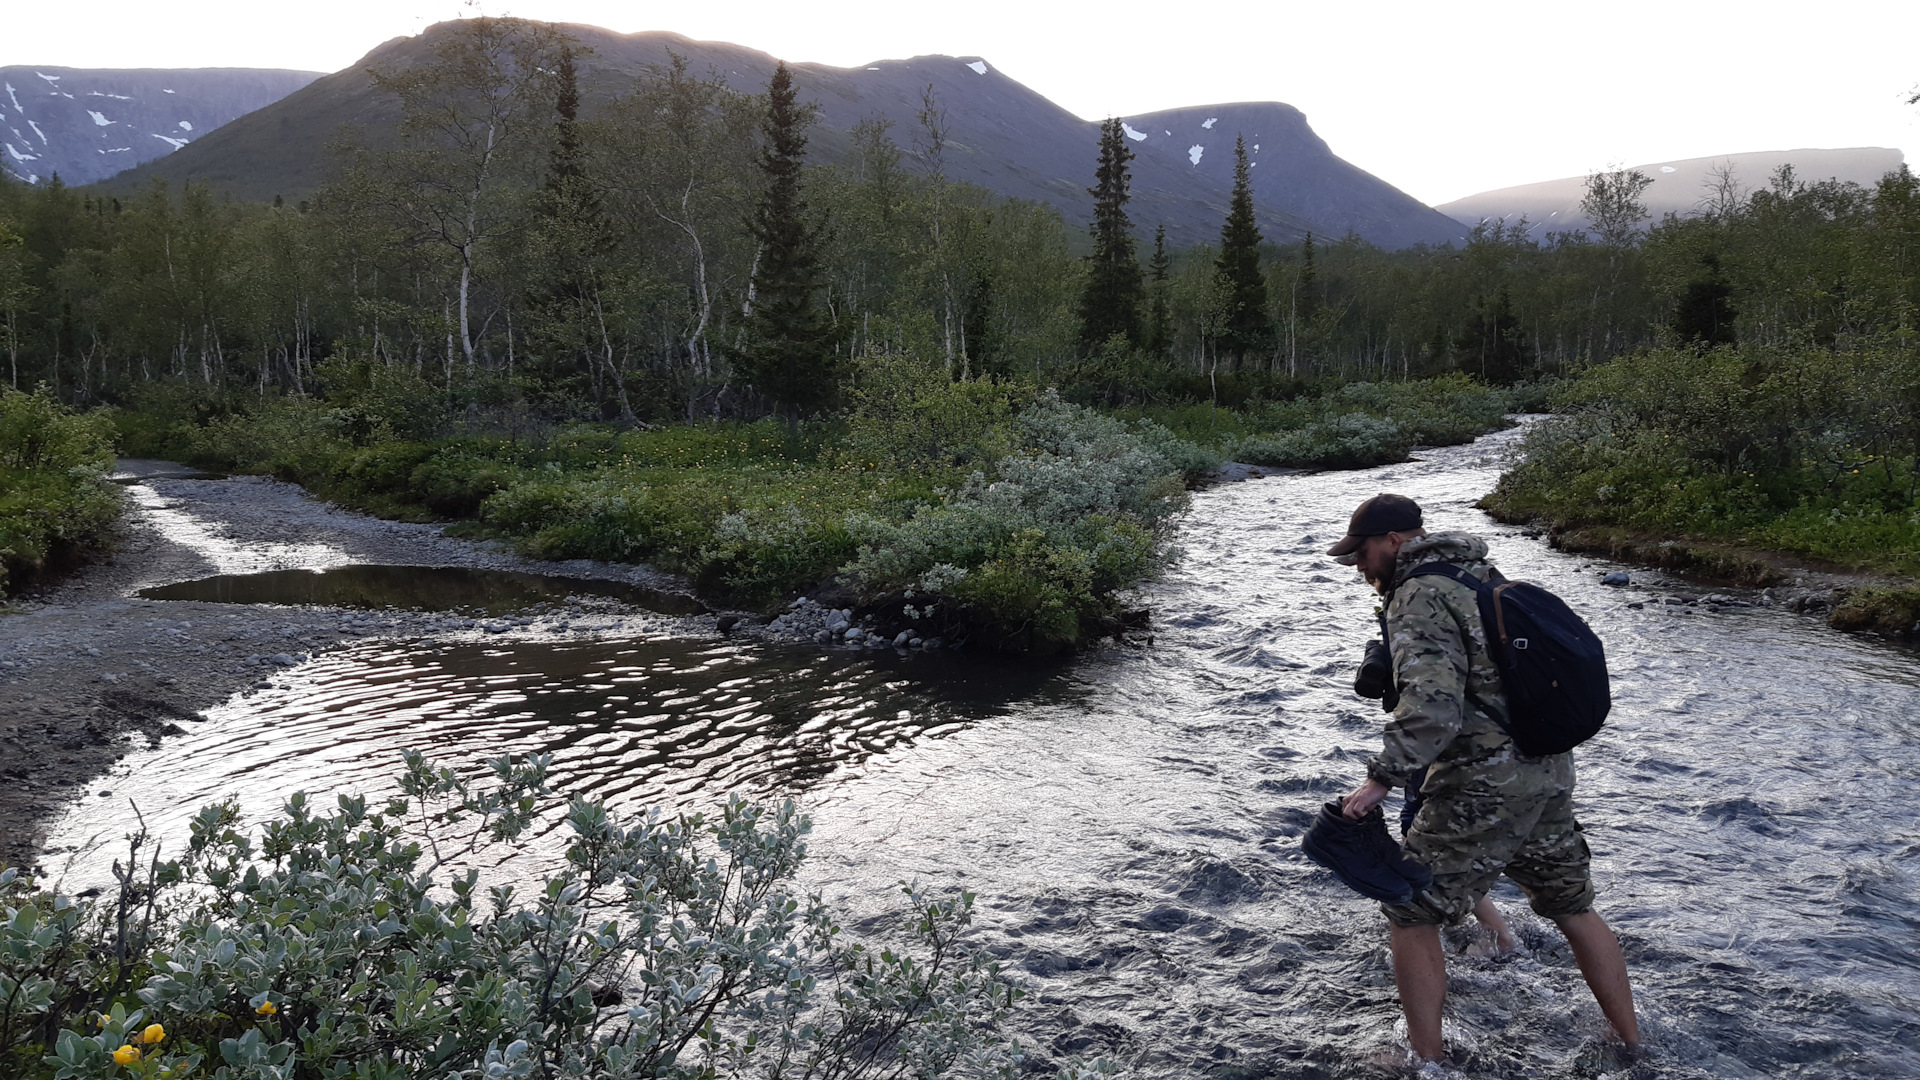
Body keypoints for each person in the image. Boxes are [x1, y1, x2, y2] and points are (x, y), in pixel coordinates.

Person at [1326, 493, 1639, 1062]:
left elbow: (1433, 706)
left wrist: (1379, 781)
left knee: (1410, 910)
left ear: (1395, 541)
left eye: (1363, 553)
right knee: (1573, 906)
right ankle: (1631, 1040)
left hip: (1481, 780)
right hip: (1546, 768)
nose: (1360, 567)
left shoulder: (1418, 593)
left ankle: (1427, 1063)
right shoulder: (1480, 576)